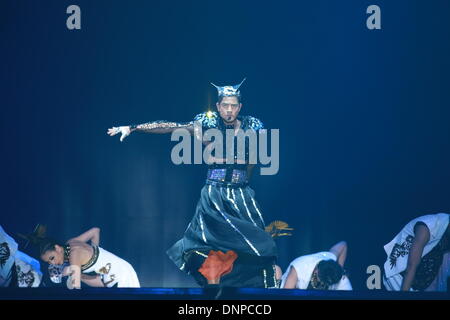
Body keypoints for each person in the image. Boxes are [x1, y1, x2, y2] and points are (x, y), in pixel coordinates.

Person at [107, 79, 278, 287]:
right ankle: (214, 281)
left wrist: (244, 183)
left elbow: (252, 162)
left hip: (242, 193)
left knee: (262, 244)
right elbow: (172, 127)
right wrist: (134, 128)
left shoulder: (252, 125)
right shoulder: (207, 124)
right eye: (225, 105)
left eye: (234, 105)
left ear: (240, 107)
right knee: (207, 244)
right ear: (218, 106)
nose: (229, 110)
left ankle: (264, 288)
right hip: (215, 194)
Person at [22, 225, 140, 288]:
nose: (52, 263)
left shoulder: (74, 254)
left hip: (122, 274)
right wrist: (95, 254)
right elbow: (95, 231)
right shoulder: (70, 243)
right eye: (49, 262)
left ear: (58, 248)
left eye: (52, 258)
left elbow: (76, 288)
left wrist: (71, 273)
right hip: (109, 275)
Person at [383, 213, 449, 291]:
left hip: (420, 284)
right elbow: (411, 266)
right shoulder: (426, 228)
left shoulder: (445, 225)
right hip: (399, 277)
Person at [281, 241, 352, 290]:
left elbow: (343, 244)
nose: (323, 284)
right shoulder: (299, 267)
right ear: (316, 270)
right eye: (323, 282)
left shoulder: (332, 260)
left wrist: (339, 268)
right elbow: (286, 295)